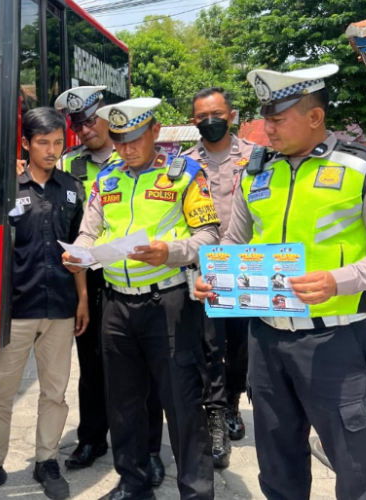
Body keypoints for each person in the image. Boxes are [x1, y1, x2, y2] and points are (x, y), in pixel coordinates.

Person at [195, 63, 366, 500]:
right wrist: (213, 277)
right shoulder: (257, 171)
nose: (266, 128)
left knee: (357, 469)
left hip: (335, 345)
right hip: (266, 343)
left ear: (314, 117)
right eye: (265, 117)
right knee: (278, 466)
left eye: (277, 118)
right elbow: (233, 241)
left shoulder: (364, 170)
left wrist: (341, 280)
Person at [64, 97, 220, 500]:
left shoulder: (185, 174)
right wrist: (77, 253)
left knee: (182, 404)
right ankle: (133, 484)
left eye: (134, 138)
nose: (126, 148)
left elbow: (208, 237)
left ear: (155, 132)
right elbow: (89, 229)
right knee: (123, 403)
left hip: (167, 303)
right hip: (116, 305)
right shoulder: (108, 179)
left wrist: (171, 252)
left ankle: (197, 491)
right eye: (119, 140)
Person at [0, 107, 88, 500]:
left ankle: (46, 461)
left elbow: (78, 248)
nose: (52, 151)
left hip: (62, 309)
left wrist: (83, 298)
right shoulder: (6, 189)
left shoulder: (72, 188)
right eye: (43, 143)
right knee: (0, 392)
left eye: (58, 143)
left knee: (55, 392)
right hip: (15, 310)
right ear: (27, 144)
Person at [52, 86, 166, 485]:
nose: (83, 129)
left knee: (143, 371)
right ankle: (91, 437)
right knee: (93, 364)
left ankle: (149, 448)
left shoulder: (138, 157)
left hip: (140, 275)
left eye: (89, 120)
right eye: (77, 123)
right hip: (89, 274)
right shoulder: (69, 164)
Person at [184, 87, 257, 468]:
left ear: (231, 114)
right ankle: (214, 419)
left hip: (245, 268)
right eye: (201, 116)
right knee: (209, 347)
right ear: (194, 120)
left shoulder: (256, 157)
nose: (209, 121)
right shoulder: (183, 164)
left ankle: (232, 405)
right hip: (204, 272)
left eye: (216, 113)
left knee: (240, 346)